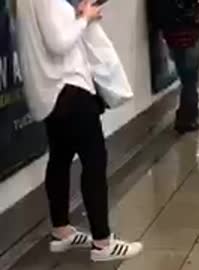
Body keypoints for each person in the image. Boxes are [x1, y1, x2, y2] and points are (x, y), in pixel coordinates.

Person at [15, 0, 143, 262]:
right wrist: (84, 18)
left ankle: (62, 232)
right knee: (94, 161)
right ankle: (102, 243)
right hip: (69, 89)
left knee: (60, 158)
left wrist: (77, 14)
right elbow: (58, 42)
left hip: (50, 93)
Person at [148, 0, 199, 134]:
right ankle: (187, 119)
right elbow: (191, 12)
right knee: (190, 81)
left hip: (173, 38)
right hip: (190, 36)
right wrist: (198, 14)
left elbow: (158, 16)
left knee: (186, 78)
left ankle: (185, 116)